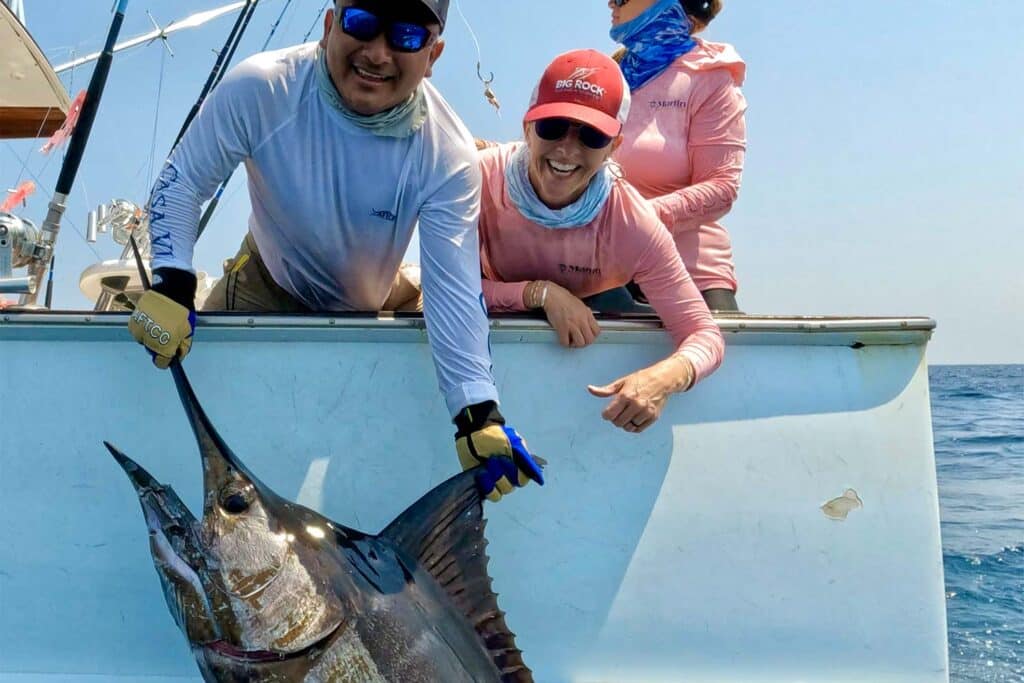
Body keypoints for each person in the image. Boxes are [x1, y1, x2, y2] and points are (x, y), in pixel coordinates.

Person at [128, 0, 542, 502]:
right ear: (329, 25)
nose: (377, 53)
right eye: (361, 23)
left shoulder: (447, 153)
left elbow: (452, 288)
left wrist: (477, 411)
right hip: (267, 283)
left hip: (375, 294)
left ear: (433, 55)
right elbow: (183, 182)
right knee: (210, 433)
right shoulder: (263, 86)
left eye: (406, 36)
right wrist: (173, 281)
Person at [477, 49, 724, 433]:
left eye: (592, 135)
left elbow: (704, 334)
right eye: (552, 126)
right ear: (527, 127)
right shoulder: (475, 181)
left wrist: (662, 380)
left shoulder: (632, 222)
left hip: (598, 317)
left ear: (614, 146)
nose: (567, 149)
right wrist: (539, 294)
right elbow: (443, 291)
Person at [609, 0, 746, 311]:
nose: (610, 3)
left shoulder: (711, 78)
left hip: (691, 274)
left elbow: (722, 188)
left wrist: (630, 219)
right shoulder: (606, 76)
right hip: (603, 272)